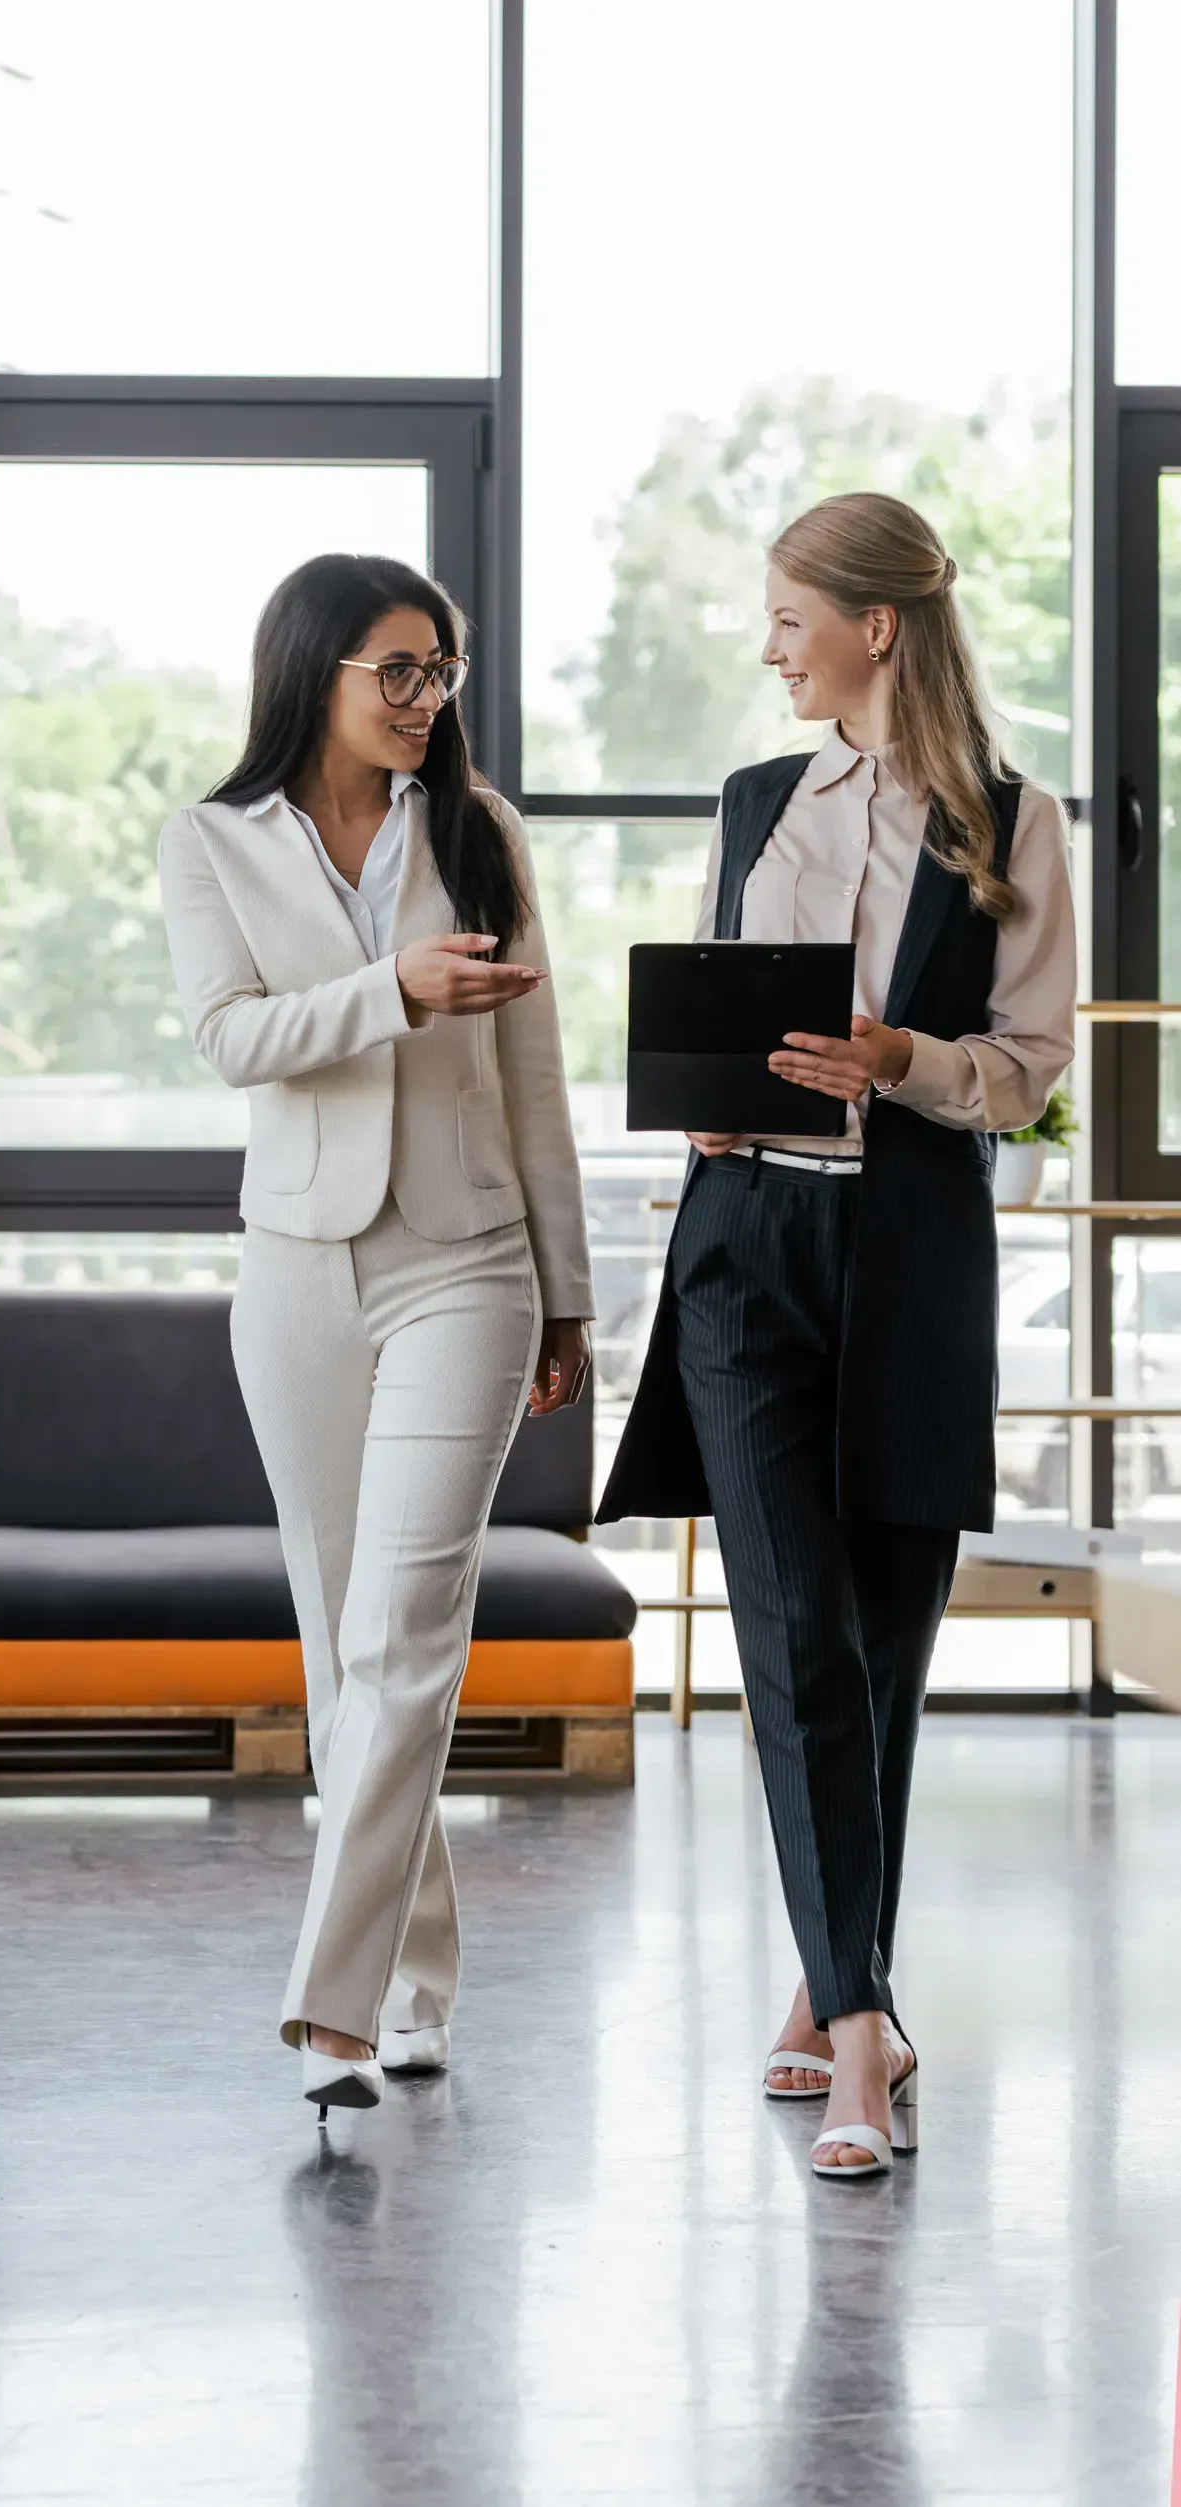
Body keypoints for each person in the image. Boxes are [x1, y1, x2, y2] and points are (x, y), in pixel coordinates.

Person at [599, 492, 1075, 2178]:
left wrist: (900, 1064)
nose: (770, 644)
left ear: (880, 625)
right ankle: (866, 2030)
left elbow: (1026, 1071)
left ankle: (827, 1979)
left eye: (793, 615)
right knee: (793, 1628)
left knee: (882, 1648)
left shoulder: (1015, 822)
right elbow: (728, 1011)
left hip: (914, 1242)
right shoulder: (751, 803)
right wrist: (707, 1112)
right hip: (747, 1248)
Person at [159, 553, 593, 2119]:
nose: (425, 701)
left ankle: (328, 2005)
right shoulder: (211, 843)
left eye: (440, 674)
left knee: (407, 1633)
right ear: (314, 674)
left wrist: (567, 1295)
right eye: (396, 672)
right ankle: (413, 1982)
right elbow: (229, 1037)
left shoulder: (482, 835)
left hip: (465, 1265)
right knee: (344, 1650)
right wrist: (389, 991)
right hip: (296, 1272)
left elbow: (537, 1078)